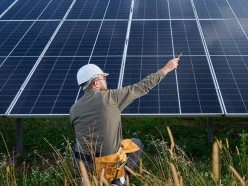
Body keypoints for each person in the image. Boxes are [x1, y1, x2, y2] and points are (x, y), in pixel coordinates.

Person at [70, 55, 181, 186]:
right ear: (96, 83)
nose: (106, 81)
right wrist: (167, 68)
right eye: (103, 79)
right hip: (106, 163)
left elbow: (77, 133)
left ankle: (86, 179)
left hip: (81, 164)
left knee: (76, 145)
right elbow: (142, 87)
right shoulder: (111, 97)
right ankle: (119, 180)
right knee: (136, 144)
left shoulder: (74, 108)